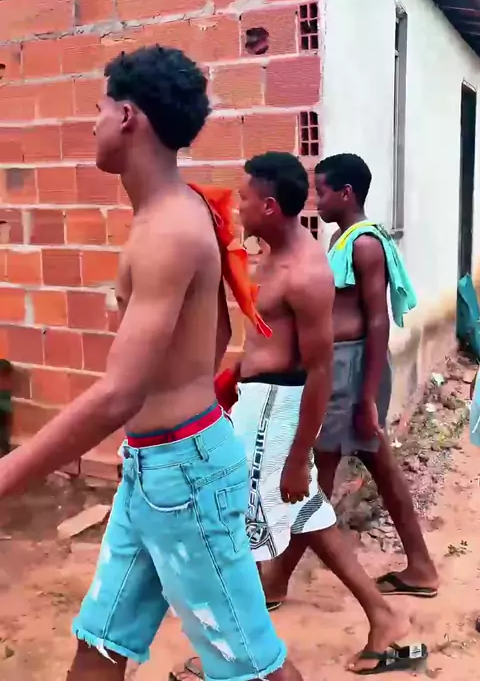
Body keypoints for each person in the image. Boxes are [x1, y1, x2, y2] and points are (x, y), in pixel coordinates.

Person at [0, 47, 302, 681]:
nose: (94, 124)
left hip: (183, 475)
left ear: (128, 116)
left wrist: (7, 474)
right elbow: (216, 333)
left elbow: (118, 393)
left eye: (100, 108)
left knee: (253, 669)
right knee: (101, 642)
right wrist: (171, 410)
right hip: (160, 467)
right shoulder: (181, 212)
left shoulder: (168, 230)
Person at [184, 152, 426, 676]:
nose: (240, 207)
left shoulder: (307, 272)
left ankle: (236, 651)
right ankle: (383, 617)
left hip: (275, 410)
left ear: (270, 206)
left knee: (241, 526)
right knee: (307, 515)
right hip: (259, 401)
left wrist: (297, 459)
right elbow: (265, 332)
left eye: (245, 199)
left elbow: (320, 369)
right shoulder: (274, 255)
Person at [267, 153, 438, 604]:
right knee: (373, 464)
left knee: (318, 473)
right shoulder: (342, 240)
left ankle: (278, 579)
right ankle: (420, 565)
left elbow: (377, 322)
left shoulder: (364, 245)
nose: (316, 200)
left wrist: (365, 398)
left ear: (346, 193)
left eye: (322, 191)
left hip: (351, 372)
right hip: (343, 370)